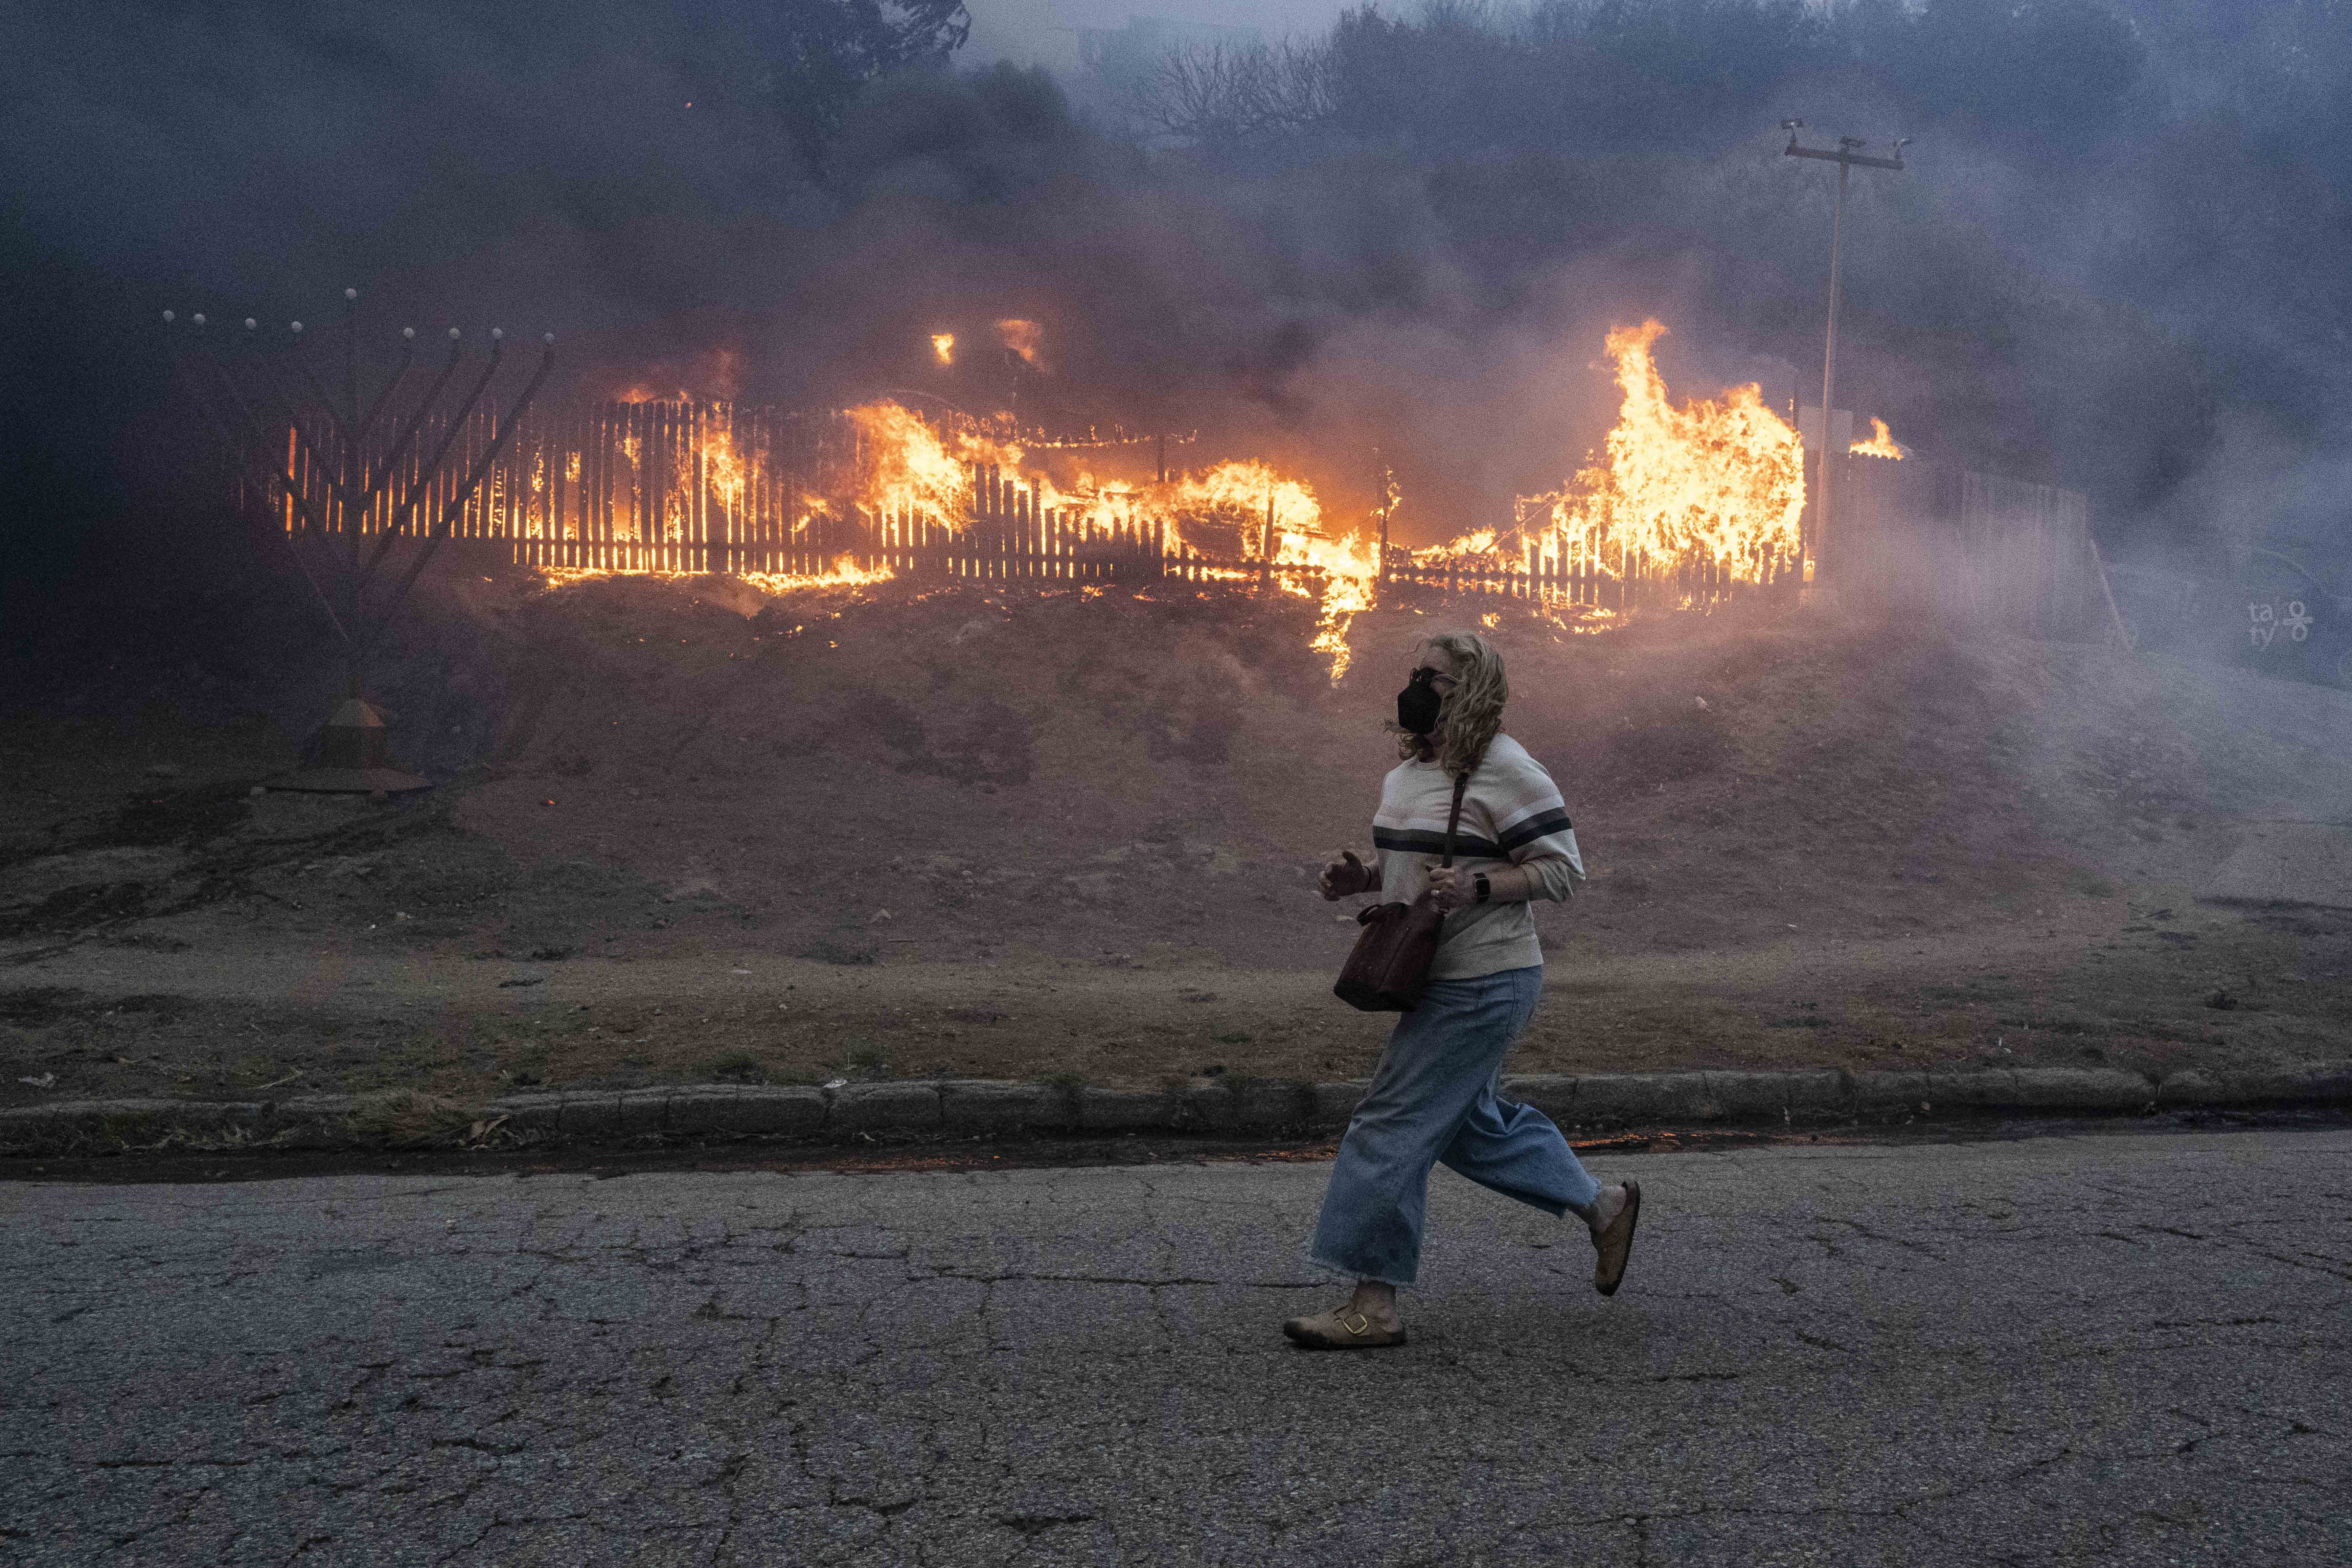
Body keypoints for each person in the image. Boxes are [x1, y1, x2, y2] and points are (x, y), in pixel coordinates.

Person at [1283, 629, 1640, 1350]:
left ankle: (1373, 1303)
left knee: (1389, 1122)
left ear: (1470, 690)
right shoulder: (1411, 772)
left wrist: (1481, 885)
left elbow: (1562, 869)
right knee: (1467, 1126)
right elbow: (1416, 870)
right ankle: (1603, 1205)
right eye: (1413, 671)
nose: (1415, 685)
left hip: (1486, 979)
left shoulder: (1509, 770)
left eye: (1433, 677)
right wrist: (1362, 878)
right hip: (1434, 976)